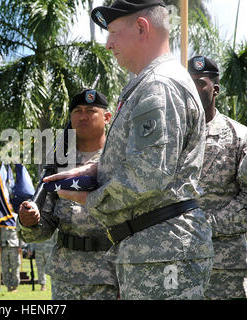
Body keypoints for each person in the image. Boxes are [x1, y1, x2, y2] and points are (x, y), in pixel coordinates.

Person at [21, 0, 214, 300]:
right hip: (152, 249)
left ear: (141, 27)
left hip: (162, 253)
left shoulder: (158, 86)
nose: (108, 44)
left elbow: (147, 176)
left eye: (112, 32)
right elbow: (150, 162)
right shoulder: (147, 84)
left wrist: (91, 198)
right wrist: (97, 170)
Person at [19, 89, 118, 299]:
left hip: (111, 273)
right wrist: (29, 221)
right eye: (77, 111)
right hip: (66, 275)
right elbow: (42, 228)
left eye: (91, 110)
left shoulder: (120, 160)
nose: (83, 116)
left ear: (107, 117)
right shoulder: (57, 163)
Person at [188, 55, 247, 300]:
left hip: (224, 264)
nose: (192, 88)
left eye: (200, 82)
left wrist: (204, 225)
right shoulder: (172, 138)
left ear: (216, 89)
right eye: (188, 82)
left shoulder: (239, 137)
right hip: (177, 261)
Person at [0, 213, 24, 292]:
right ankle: (8, 286)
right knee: (5, 268)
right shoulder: (0, 217)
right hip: (3, 247)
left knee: (15, 267)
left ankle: (15, 286)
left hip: (14, 247)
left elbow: (21, 231)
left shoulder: (16, 217)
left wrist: (20, 245)